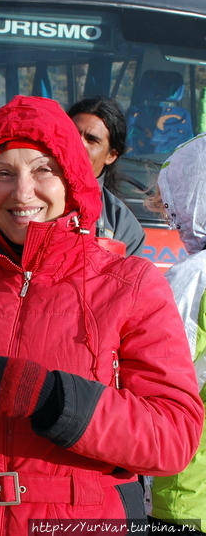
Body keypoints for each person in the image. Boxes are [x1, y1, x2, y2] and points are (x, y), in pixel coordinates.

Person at [0, 95, 203, 535]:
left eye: (43, 169)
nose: (23, 192)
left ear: (73, 179)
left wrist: (54, 399)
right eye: (3, 173)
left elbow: (174, 437)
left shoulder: (131, 283)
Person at [146, 132, 206, 534]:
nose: (173, 220)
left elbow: (159, 375)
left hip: (186, 490)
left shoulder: (192, 277)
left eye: (171, 207)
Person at [68, 96, 146, 256]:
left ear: (111, 155)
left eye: (92, 140)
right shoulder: (28, 197)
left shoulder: (121, 223)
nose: (78, 144)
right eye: (72, 134)